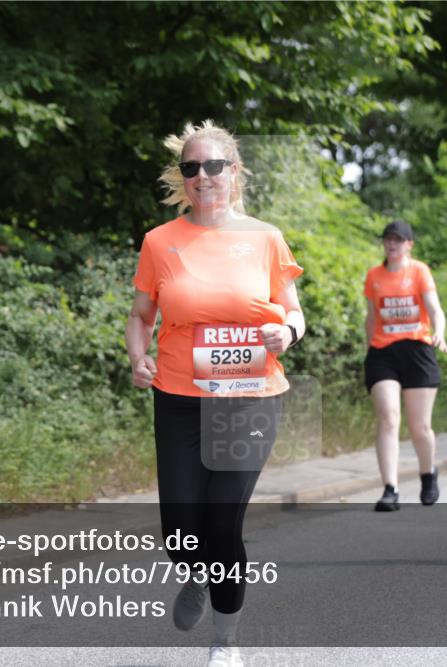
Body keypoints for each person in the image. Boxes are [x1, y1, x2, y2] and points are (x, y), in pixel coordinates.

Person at [125, 120, 305, 667]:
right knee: (180, 531)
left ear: (234, 171)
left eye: (213, 166)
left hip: (250, 396)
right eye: (191, 168)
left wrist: (287, 332)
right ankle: (196, 577)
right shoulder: (160, 242)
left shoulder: (265, 238)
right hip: (178, 396)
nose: (202, 176)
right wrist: (138, 357)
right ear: (182, 178)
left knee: (223, 523)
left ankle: (225, 643)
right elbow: (140, 316)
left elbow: (294, 310)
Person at [363, 220, 447, 511]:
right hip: (382, 352)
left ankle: (428, 473)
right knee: (388, 417)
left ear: (409, 244)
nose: (393, 244)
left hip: (417, 350)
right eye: (388, 239)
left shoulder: (419, 271)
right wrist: (368, 349)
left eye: (399, 240)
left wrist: (439, 332)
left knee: (419, 427)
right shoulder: (374, 275)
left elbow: (435, 309)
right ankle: (390, 488)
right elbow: (371, 317)